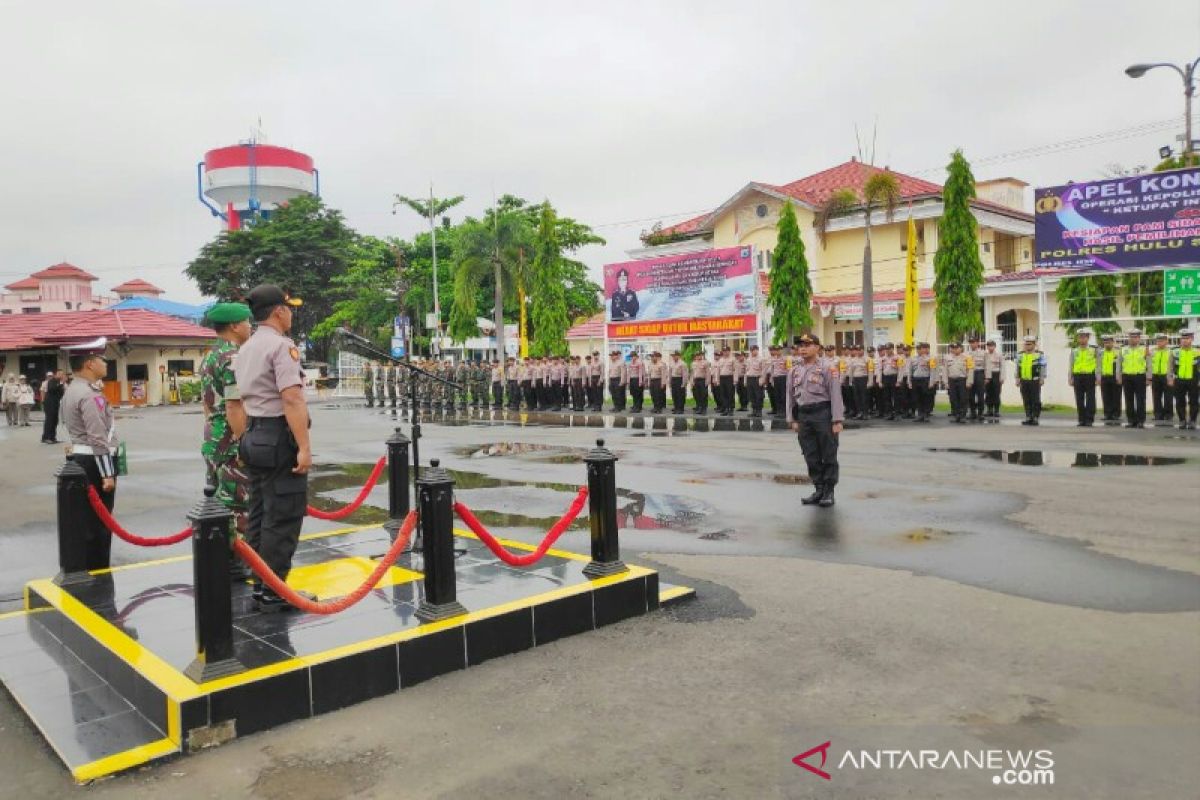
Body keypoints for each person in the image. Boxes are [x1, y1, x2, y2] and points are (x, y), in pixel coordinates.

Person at [235, 285, 314, 613]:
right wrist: (304, 447)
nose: (291, 313)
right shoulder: (282, 347)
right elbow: (292, 397)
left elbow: (240, 401)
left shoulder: (246, 348)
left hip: (254, 433)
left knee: (259, 514)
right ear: (278, 311)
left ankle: (261, 583)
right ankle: (275, 590)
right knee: (282, 516)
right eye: (288, 308)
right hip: (278, 437)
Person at [199, 302, 253, 577]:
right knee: (235, 501)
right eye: (247, 322)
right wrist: (244, 443)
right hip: (229, 439)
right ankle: (233, 559)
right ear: (234, 326)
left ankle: (220, 556)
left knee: (218, 500)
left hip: (213, 435)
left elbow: (208, 405)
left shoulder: (211, 355)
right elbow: (234, 405)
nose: (250, 327)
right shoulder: (233, 357)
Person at [61, 338, 118, 570]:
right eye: (102, 359)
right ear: (90, 364)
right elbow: (97, 436)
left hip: (81, 458)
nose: (106, 363)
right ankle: (98, 572)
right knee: (99, 524)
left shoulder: (72, 390)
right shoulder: (89, 395)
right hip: (95, 462)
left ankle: (87, 568)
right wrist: (107, 473)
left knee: (86, 521)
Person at [786, 334, 844, 508]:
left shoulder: (828, 367)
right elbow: (790, 397)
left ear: (818, 347)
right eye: (800, 345)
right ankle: (818, 488)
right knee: (810, 454)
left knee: (828, 454)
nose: (803, 348)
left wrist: (837, 419)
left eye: (807, 345)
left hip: (823, 414)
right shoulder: (794, 370)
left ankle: (829, 491)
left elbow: (835, 394)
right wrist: (792, 419)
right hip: (804, 416)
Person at [1068, 328, 1099, 427]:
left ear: (1088, 338)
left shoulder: (1094, 349)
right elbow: (1071, 365)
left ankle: (1089, 419)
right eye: (1080, 337)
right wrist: (1070, 377)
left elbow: (1098, 365)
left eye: (1084, 337)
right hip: (1078, 376)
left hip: (1090, 375)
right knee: (1079, 399)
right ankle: (1081, 419)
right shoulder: (1074, 351)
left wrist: (1098, 378)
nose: (1082, 339)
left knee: (1090, 398)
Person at [1119, 328, 1150, 428]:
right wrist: (1118, 376)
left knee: (1140, 399)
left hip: (1140, 376)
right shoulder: (1123, 349)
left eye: (1135, 337)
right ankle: (1131, 420)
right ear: (1129, 338)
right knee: (1129, 399)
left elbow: (1149, 364)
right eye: (1131, 337)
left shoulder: (1144, 349)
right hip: (1126, 376)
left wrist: (1149, 377)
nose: (1133, 339)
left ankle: (1141, 421)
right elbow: (1119, 364)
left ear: (1139, 338)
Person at [1014, 335, 1046, 425]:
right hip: (1024, 380)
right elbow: (1017, 367)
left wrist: (1042, 378)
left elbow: (1043, 367)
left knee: (1035, 400)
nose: (1027, 346)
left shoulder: (1039, 355)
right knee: (1026, 399)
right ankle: (1028, 416)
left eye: (1029, 344)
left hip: (1035, 380)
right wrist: (1017, 378)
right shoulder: (1020, 355)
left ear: (1034, 344)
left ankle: (1035, 417)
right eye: (1026, 344)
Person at [1170, 329, 1197, 429]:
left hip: (1193, 380)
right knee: (1180, 401)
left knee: (1194, 401)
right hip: (1179, 380)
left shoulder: (1197, 351)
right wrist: (1170, 378)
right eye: (1183, 338)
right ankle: (1182, 420)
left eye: (1187, 338)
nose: (1185, 340)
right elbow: (1170, 367)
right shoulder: (1174, 351)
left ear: (1192, 339)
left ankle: (1193, 421)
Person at [941, 342, 972, 424]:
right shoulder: (947, 358)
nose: (955, 350)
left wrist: (969, 381)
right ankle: (956, 415)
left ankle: (963, 416)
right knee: (953, 399)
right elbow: (945, 370)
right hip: (952, 380)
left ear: (961, 348)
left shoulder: (967, 357)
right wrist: (945, 382)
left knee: (963, 398)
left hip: (962, 380)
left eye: (957, 348)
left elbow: (970, 370)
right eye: (953, 348)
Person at [908, 343, 935, 422]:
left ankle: (926, 414)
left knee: (926, 397)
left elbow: (932, 371)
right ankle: (920, 414)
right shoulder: (913, 359)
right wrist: (909, 382)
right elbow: (910, 371)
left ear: (924, 349)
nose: (919, 350)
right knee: (917, 398)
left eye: (921, 348)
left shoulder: (930, 358)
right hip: (916, 379)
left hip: (925, 379)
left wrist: (931, 382)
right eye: (918, 349)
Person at [1150, 332, 1173, 422]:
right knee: (1156, 396)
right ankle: (1158, 414)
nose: (1160, 342)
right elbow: (1149, 363)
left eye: (1162, 341)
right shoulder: (1153, 351)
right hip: (1156, 376)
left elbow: (1173, 365)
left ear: (1166, 341)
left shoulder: (1170, 352)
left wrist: (1172, 377)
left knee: (1168, 397)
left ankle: (1168, 415)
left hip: (1167, 376)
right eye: (1158, 341)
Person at [1099, 333, 1122, 423]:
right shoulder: (1101, 353)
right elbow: (1098, 365)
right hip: (1104, 376)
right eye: (1105, 342)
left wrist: (1120, 376)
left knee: (1116, 396)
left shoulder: (1118, 351)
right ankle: (1107, 414)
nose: (1107, 344)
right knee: (1105, 396)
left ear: (1113, 342)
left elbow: (1121, 365)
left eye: (1108, 342)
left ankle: (1116, 414)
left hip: (1115, 376)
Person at [40, 369, 65, 443]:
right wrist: (61, 384)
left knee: (55, 420)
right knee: (49, 420)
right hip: (49, 403)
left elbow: (61, 393)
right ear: (56, 374)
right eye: (59, 374)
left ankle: (52, 437)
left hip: (55, 403)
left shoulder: (59, 382)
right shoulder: (52, 381)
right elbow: (52, 389)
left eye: (62, 374)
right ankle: (46, 437)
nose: (61, 375)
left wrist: (62, 385)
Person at [983, 340, 1005, 419]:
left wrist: (1002, 377)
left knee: (996, 393)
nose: (990, 347)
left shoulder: (999, 355)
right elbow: (984, 366)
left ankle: (996, 411)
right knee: (988, 393)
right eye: (988, 346)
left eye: (991, 345)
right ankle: (989, 410)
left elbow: (1002, 367)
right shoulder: (985, 355)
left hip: (996, 374)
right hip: (987, 375)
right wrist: (984, 377)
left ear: (995, 346)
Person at [967, 337, 988, 420]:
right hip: (970, 375)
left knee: (980, 395)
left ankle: (981, 413)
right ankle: (973, 412)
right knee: (970, 395)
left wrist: (987, 377)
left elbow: (987, 365)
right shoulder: (966, 354)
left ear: (977, 343)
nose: (972, 344)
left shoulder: (983, 353)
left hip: (979, 373)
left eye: (974, 342)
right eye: (971, 342)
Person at [690, 350, 711, 414]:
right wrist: (691, 381)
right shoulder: (693, 363)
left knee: (703, 395)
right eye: (696, 355)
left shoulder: (705, 363)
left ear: (701, 355)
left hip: (703, 380)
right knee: (697, 395)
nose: (698, 357)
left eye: (699, 355)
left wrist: (707, 381)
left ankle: (704, 409)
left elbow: (708, 373)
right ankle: (699, 407)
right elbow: (692, 373)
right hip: (696, 380)